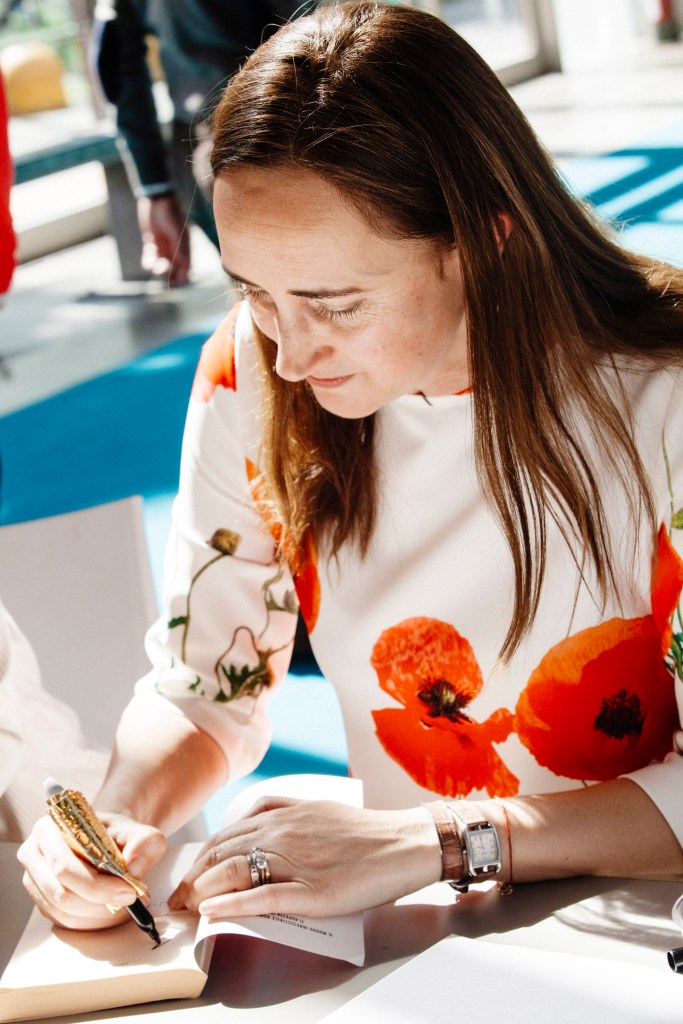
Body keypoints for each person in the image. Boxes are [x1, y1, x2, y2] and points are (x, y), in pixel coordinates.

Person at [19, 1, 683, 931]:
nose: (288, 354)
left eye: (333, 304)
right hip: (423, 935)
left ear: (485, 243)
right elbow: (207, 686)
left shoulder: (664, 397)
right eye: (254, 292)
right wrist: (118, 814)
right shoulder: (246, 369)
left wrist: (437, 841)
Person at [93, 0, 316, 285]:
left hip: (211, 138)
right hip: (263, 131)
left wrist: (154, 188)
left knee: (266, 296)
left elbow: (115, 65)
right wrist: (153, 187)